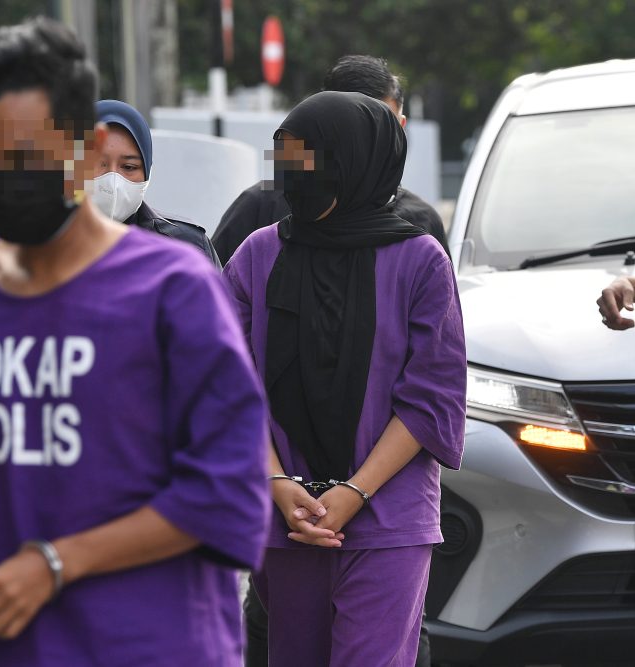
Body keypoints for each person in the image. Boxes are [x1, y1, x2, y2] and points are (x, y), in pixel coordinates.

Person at [0, 17, 270, 667]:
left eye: (25, 155)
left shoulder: (174, 292)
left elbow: (229, 491)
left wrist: (57, 562)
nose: (3, 177)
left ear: (85, 150)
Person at [222, 91, 466, 666]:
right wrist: (277, 482)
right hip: (286, 516)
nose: (292, 175)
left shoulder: (421, 261)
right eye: (285, 157)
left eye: (307, 158)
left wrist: (355, 491)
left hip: (388, 515)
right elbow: (226, 382)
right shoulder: (258, 255)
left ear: (355, 161)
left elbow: (431, 397)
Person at [212, 55, 450, 265]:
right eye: (353, 130)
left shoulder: (422, 228)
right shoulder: (260, 211)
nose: (366, 147)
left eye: (381, 129)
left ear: (400, 127)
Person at [93, 98, 221, 266]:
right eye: (97, 163)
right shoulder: (56, 247)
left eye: (129, 167)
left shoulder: (187, 246)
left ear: (147, 173)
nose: (113, 180)